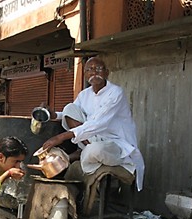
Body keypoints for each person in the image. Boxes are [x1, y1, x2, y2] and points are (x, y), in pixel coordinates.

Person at [41, 56, 145, 191]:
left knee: (95, 150)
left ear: (107, 73)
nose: (94, 72)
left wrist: (60, 137)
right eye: (90, 69)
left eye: (98, 69)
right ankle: (77, 153)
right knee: (69, 108)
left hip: (115, 144)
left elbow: (98, 123)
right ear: (85, 75)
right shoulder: (84, 95)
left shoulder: (115, 93)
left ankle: (75, 154)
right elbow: (68, 114)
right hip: (91, 139)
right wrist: (52, 114)